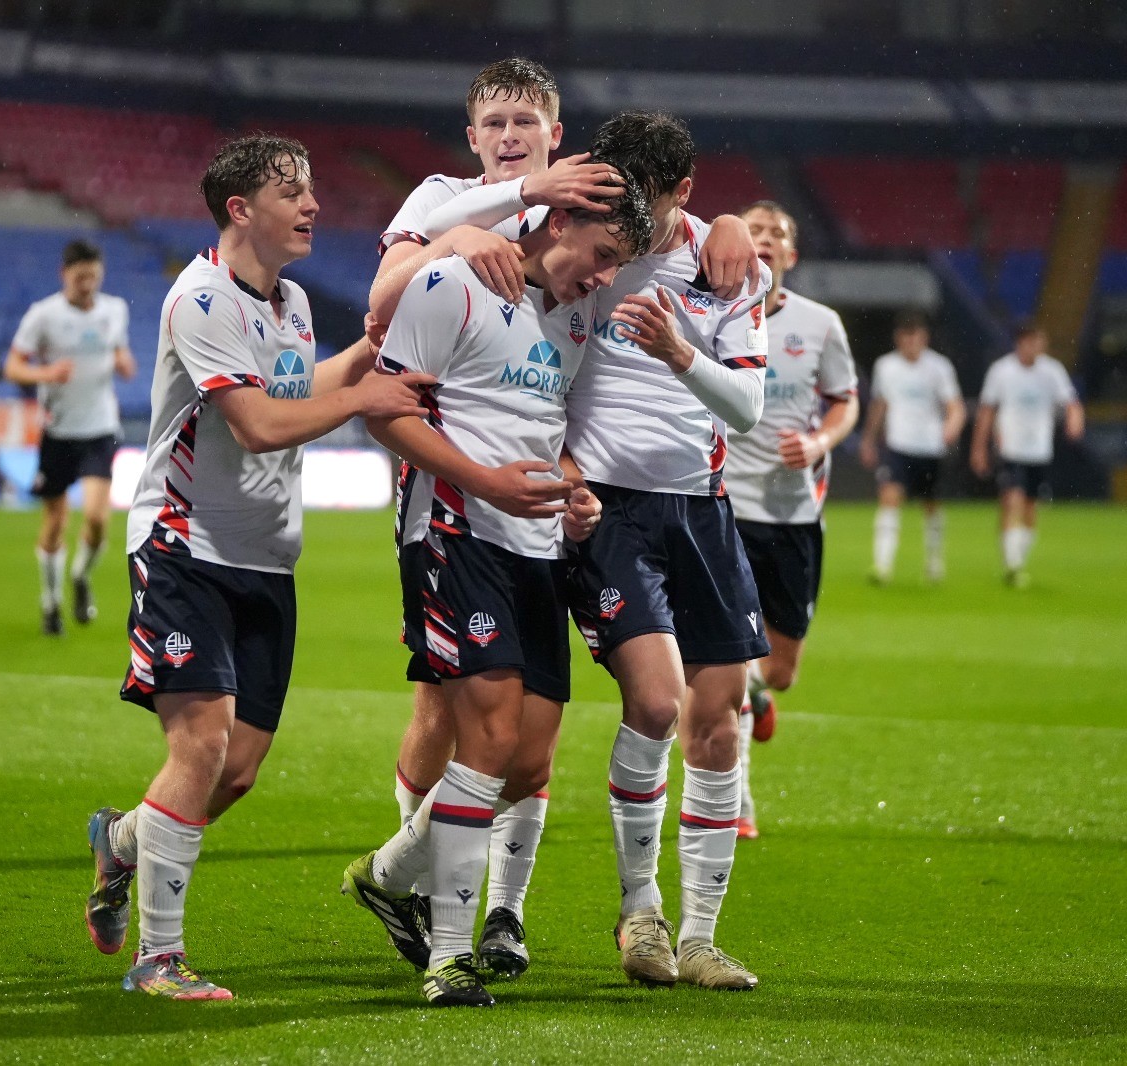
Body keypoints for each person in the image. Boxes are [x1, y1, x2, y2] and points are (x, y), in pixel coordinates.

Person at [366, 57, 756, 981]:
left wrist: (733, 226)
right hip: (462, 512)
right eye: (494, 120)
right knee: (459, 715)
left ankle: (491, 907)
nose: (509, 136)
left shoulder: (598, 290)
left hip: (557, 515)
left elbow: (569, 402)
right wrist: (463, 234)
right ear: (476, 137)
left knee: (523, 744)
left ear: (559, 138)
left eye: (526, 123)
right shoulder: (449, 222)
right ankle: (439, 910)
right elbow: (386, 331)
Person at [80, 134, 432, 1000]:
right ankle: (158, 961)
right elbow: (258, 425)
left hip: (267, 562)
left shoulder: (294, 301)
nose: (313, 205)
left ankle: (122, 842)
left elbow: (291, 388)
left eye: (311, 189)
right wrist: (365, 396)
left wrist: (362, 354)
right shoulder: (200, 298)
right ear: (241, 210)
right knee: (200, 746)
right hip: (183, 545)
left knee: (233, 771)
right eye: (292, 192)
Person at [342, 170, 653, 1007]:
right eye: (602, 253)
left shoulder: (579, 318)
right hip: (453, 529)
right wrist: (485, 480)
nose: (603, 276)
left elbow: (546, 431)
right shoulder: (453, 282)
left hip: (536, 544)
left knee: (526, 760)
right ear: (557, 219)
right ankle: (448, 958)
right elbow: (384, 412)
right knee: (486, 734)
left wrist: (570, 487)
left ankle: (385, 873)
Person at [563, 110, 772, 992]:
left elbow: (748, 411)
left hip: (703, 510)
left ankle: (701, 936)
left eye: (646, 202)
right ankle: (640, 909)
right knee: (655, 704)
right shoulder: (580, 250)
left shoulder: (728, 266)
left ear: (684, 192)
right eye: (616, 196)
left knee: (718, 726)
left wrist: (682, 352)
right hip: (609, 512)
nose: (627, 220)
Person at [723, 201, 858, 840]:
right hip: (722, 509)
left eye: (778, 234)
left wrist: (819, 444)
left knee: (779, 669)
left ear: (791, 256)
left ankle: (758, 692)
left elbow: (845, 402)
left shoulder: (820, 325)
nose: (767, 241)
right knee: (728, 657)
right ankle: (738, 801)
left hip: (793, 513)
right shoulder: (713, 314)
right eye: (756, 232)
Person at [4, 239, 136, 635]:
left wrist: (122, 361)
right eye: (80, 277)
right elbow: (12, 366)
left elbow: (118, 351)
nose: (87, 284)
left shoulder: (115, 310)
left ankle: (80, 576)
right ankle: (51, 603)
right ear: (65, 274)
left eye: (93, 276)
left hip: (99, 428)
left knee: (96, 519)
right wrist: (44, 374)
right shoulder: (43, 315)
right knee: (55, 523)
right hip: (58, 432)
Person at [970, 322, 1085, 588]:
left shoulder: (1052, 371)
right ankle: (1013, 565)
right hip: (1011, 447)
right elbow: (987, 411)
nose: (1037, 347)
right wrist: (979, 448)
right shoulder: (1002, 371)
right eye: (1032, 341)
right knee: (1012, 500)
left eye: (1040, 341)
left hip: (1039, 450)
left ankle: (1016, 560)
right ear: (1020, 342)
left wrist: (1075, 420)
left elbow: (1071, 402)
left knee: (1031, 508)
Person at [859, 312, 965, 584]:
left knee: (931, 505)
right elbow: (880, 405)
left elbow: (955, 406)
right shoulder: (886, 366)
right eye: (906, 337)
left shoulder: (939, 367)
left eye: (915, 336)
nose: (910, 342)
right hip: (898, 445)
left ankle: (934, 560)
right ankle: (882, 566)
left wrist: (951, 425)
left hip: (930, 447)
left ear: (924, 338)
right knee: (889, 498)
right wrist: (869, 439)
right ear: (898, 339)